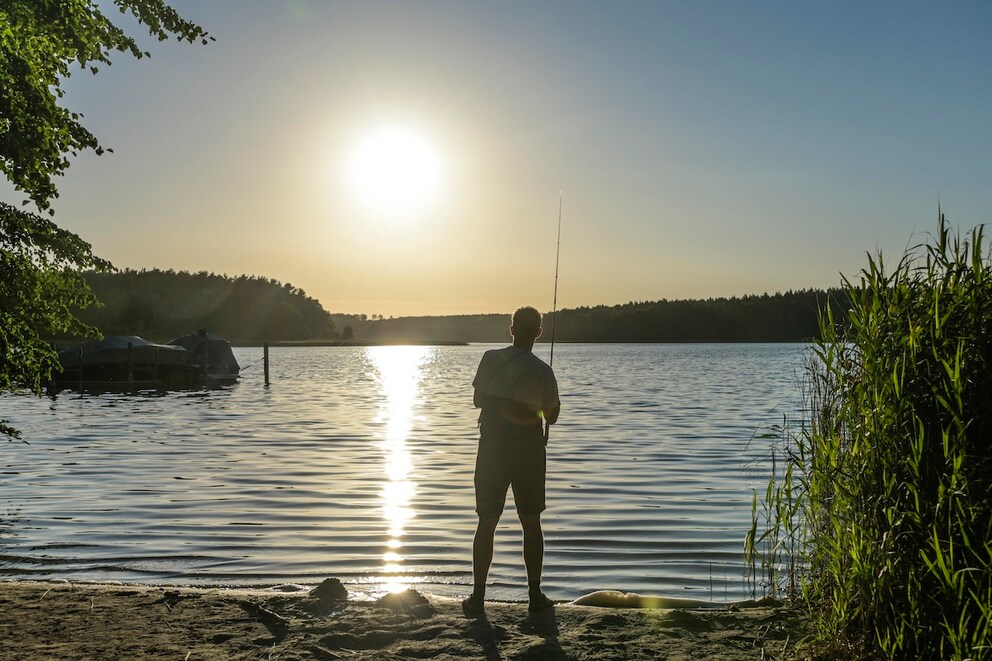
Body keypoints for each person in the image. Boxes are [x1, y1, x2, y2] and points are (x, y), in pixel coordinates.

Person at [463, 306, 561, 615]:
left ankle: (478, 597)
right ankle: (535, 595)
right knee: (531, 522)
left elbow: (479, 399)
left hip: (491, 448)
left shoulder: (490, 358)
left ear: (511, 328)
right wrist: (535, 407)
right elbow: (554, 416)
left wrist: (506, 403)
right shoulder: (544, 371)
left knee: (486, 521)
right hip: (529, 450)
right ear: (539, 333)